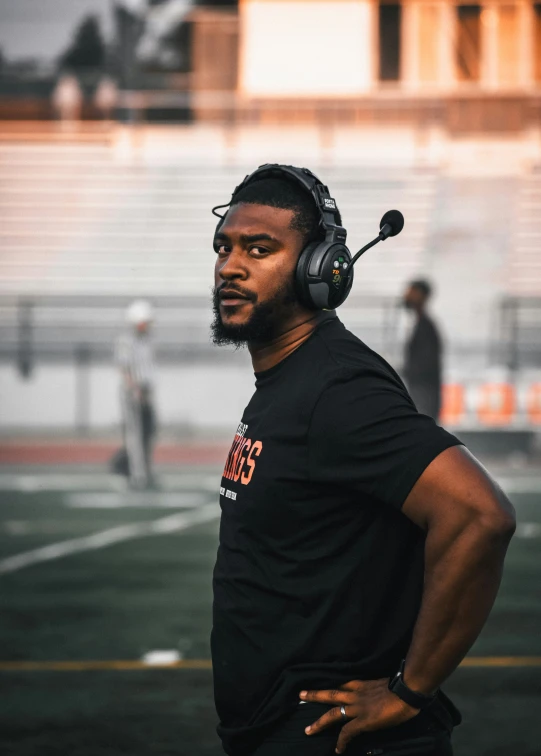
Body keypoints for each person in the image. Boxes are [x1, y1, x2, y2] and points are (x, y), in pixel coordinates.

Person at [210, 165, 515, 756]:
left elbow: (480, 516)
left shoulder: (338, 389)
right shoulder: (292, 378)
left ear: (322, 268)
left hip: (338, 740)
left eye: (260, 249)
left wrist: (410, 691)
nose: (231, 266)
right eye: (225, 247)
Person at [115, 299, 156, 489]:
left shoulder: (146, 339)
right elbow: (125, 369)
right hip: (133, 393)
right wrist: (135, 389)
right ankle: (137, 475)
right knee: (135, 435)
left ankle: (146, 471)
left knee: (148, 432)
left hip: (146, 391)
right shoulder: (126, 341)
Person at [402, 280, 442, 421]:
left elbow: (425, 364)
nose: (406, 295)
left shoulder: (426, 327)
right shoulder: (419, 324)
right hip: (420, 392)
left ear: (421, 295)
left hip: (424, 395)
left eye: (411, 292)